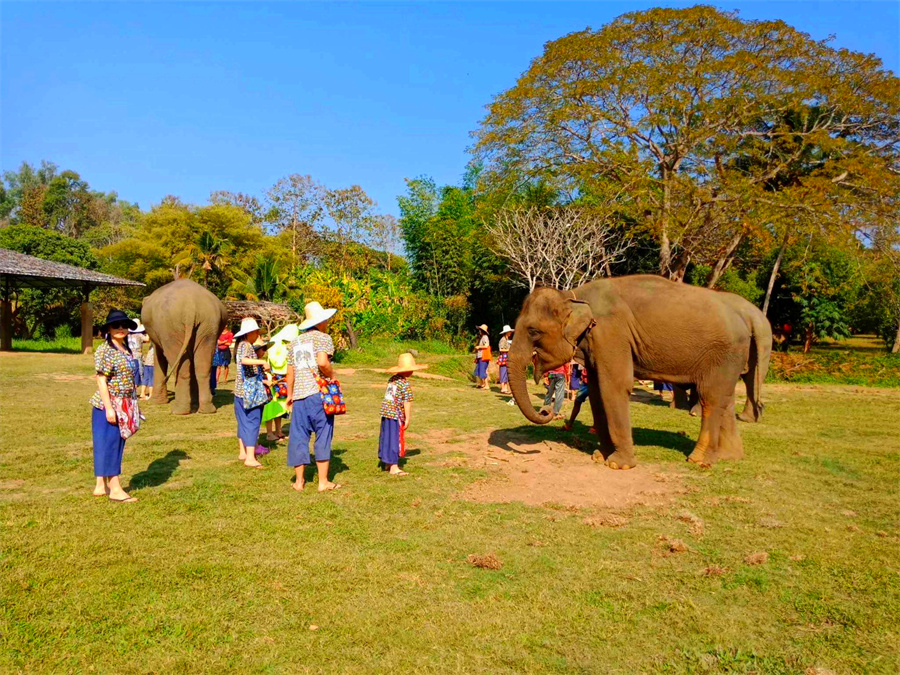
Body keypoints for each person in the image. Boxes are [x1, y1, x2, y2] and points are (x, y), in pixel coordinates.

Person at [286, 302, 341, 492]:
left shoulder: (295, 342)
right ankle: (323, 481)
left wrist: (290, 395)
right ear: (321, 321)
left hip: (299, 397)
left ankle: (299, 481)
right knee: (323, 435)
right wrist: (332, 376)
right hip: (319, 395)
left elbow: (290, 373)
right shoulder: (323, 338)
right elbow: (322, 362)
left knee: (299, 437)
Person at [90, 309, 140, 503]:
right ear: (108, 329)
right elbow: (101, 380)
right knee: (110, 444)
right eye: (116, 325)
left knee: (109, 443)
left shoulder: (127, 349)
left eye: (124, 325)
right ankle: (116, 488)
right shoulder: (105, 350)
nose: (121, 328)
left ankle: (100, 485)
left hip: (126, 402)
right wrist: (109, 407)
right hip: (109, 404)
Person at [378, 352, 428, 476]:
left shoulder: (392, 380)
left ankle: (387, 463)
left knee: (387, 438)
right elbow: (407, 402)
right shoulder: (404, 384)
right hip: (395, 415)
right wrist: (407, 418)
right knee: (395, 439)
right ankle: (394, 466)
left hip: (386, 413)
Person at [232, 317, 270, 469]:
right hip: (250, 393)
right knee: (252, 422)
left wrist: (263, 380)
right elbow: (244, 361)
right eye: (256, 333)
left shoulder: (240, 345)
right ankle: (250, 457)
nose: (257, 336)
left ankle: (243, 452)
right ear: (251, 333)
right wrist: (262, 362)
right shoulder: (246, 346)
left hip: (239, 392)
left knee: (242, 422)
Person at [263, 324, 298, 442]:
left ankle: (278, 430)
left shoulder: (285, 343)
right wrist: (288, 357)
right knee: (271, 406)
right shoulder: (275, 342)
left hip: (283, 378)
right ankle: (269, 432)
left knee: (281, 406)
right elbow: (275, 361)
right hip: (273, 378)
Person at [562, 365, 597, 435]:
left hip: (595, 383)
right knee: (577, 402)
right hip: (585, 383)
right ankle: (570, 424)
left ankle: (595, 427)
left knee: (595, 405)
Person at [127, 321, 147, 391]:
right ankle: (134, 389)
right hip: (137, 356)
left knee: (131, 372)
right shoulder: (139, 335)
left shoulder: (128, 335)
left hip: (129, 356)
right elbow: (147, 339)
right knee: (137, 372)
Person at [473, 324, 491, 391]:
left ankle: (486, 385)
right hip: (480, 356)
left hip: (483, 356)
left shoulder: (485, 337)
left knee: (482, 371)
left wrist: (479, 347)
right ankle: (482, 384)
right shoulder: (483, 337)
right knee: (479, 370)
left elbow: (486, 346)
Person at [498, 325, 514, 395]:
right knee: (503, 372)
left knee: (506, 373)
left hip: (507, 358)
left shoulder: (507, 340)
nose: (510, 333)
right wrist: (509, 350)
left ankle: (505, 388)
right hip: (503, 358)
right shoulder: (503, 340)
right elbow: (501, 349)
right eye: (509, 332)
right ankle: (503, 388)